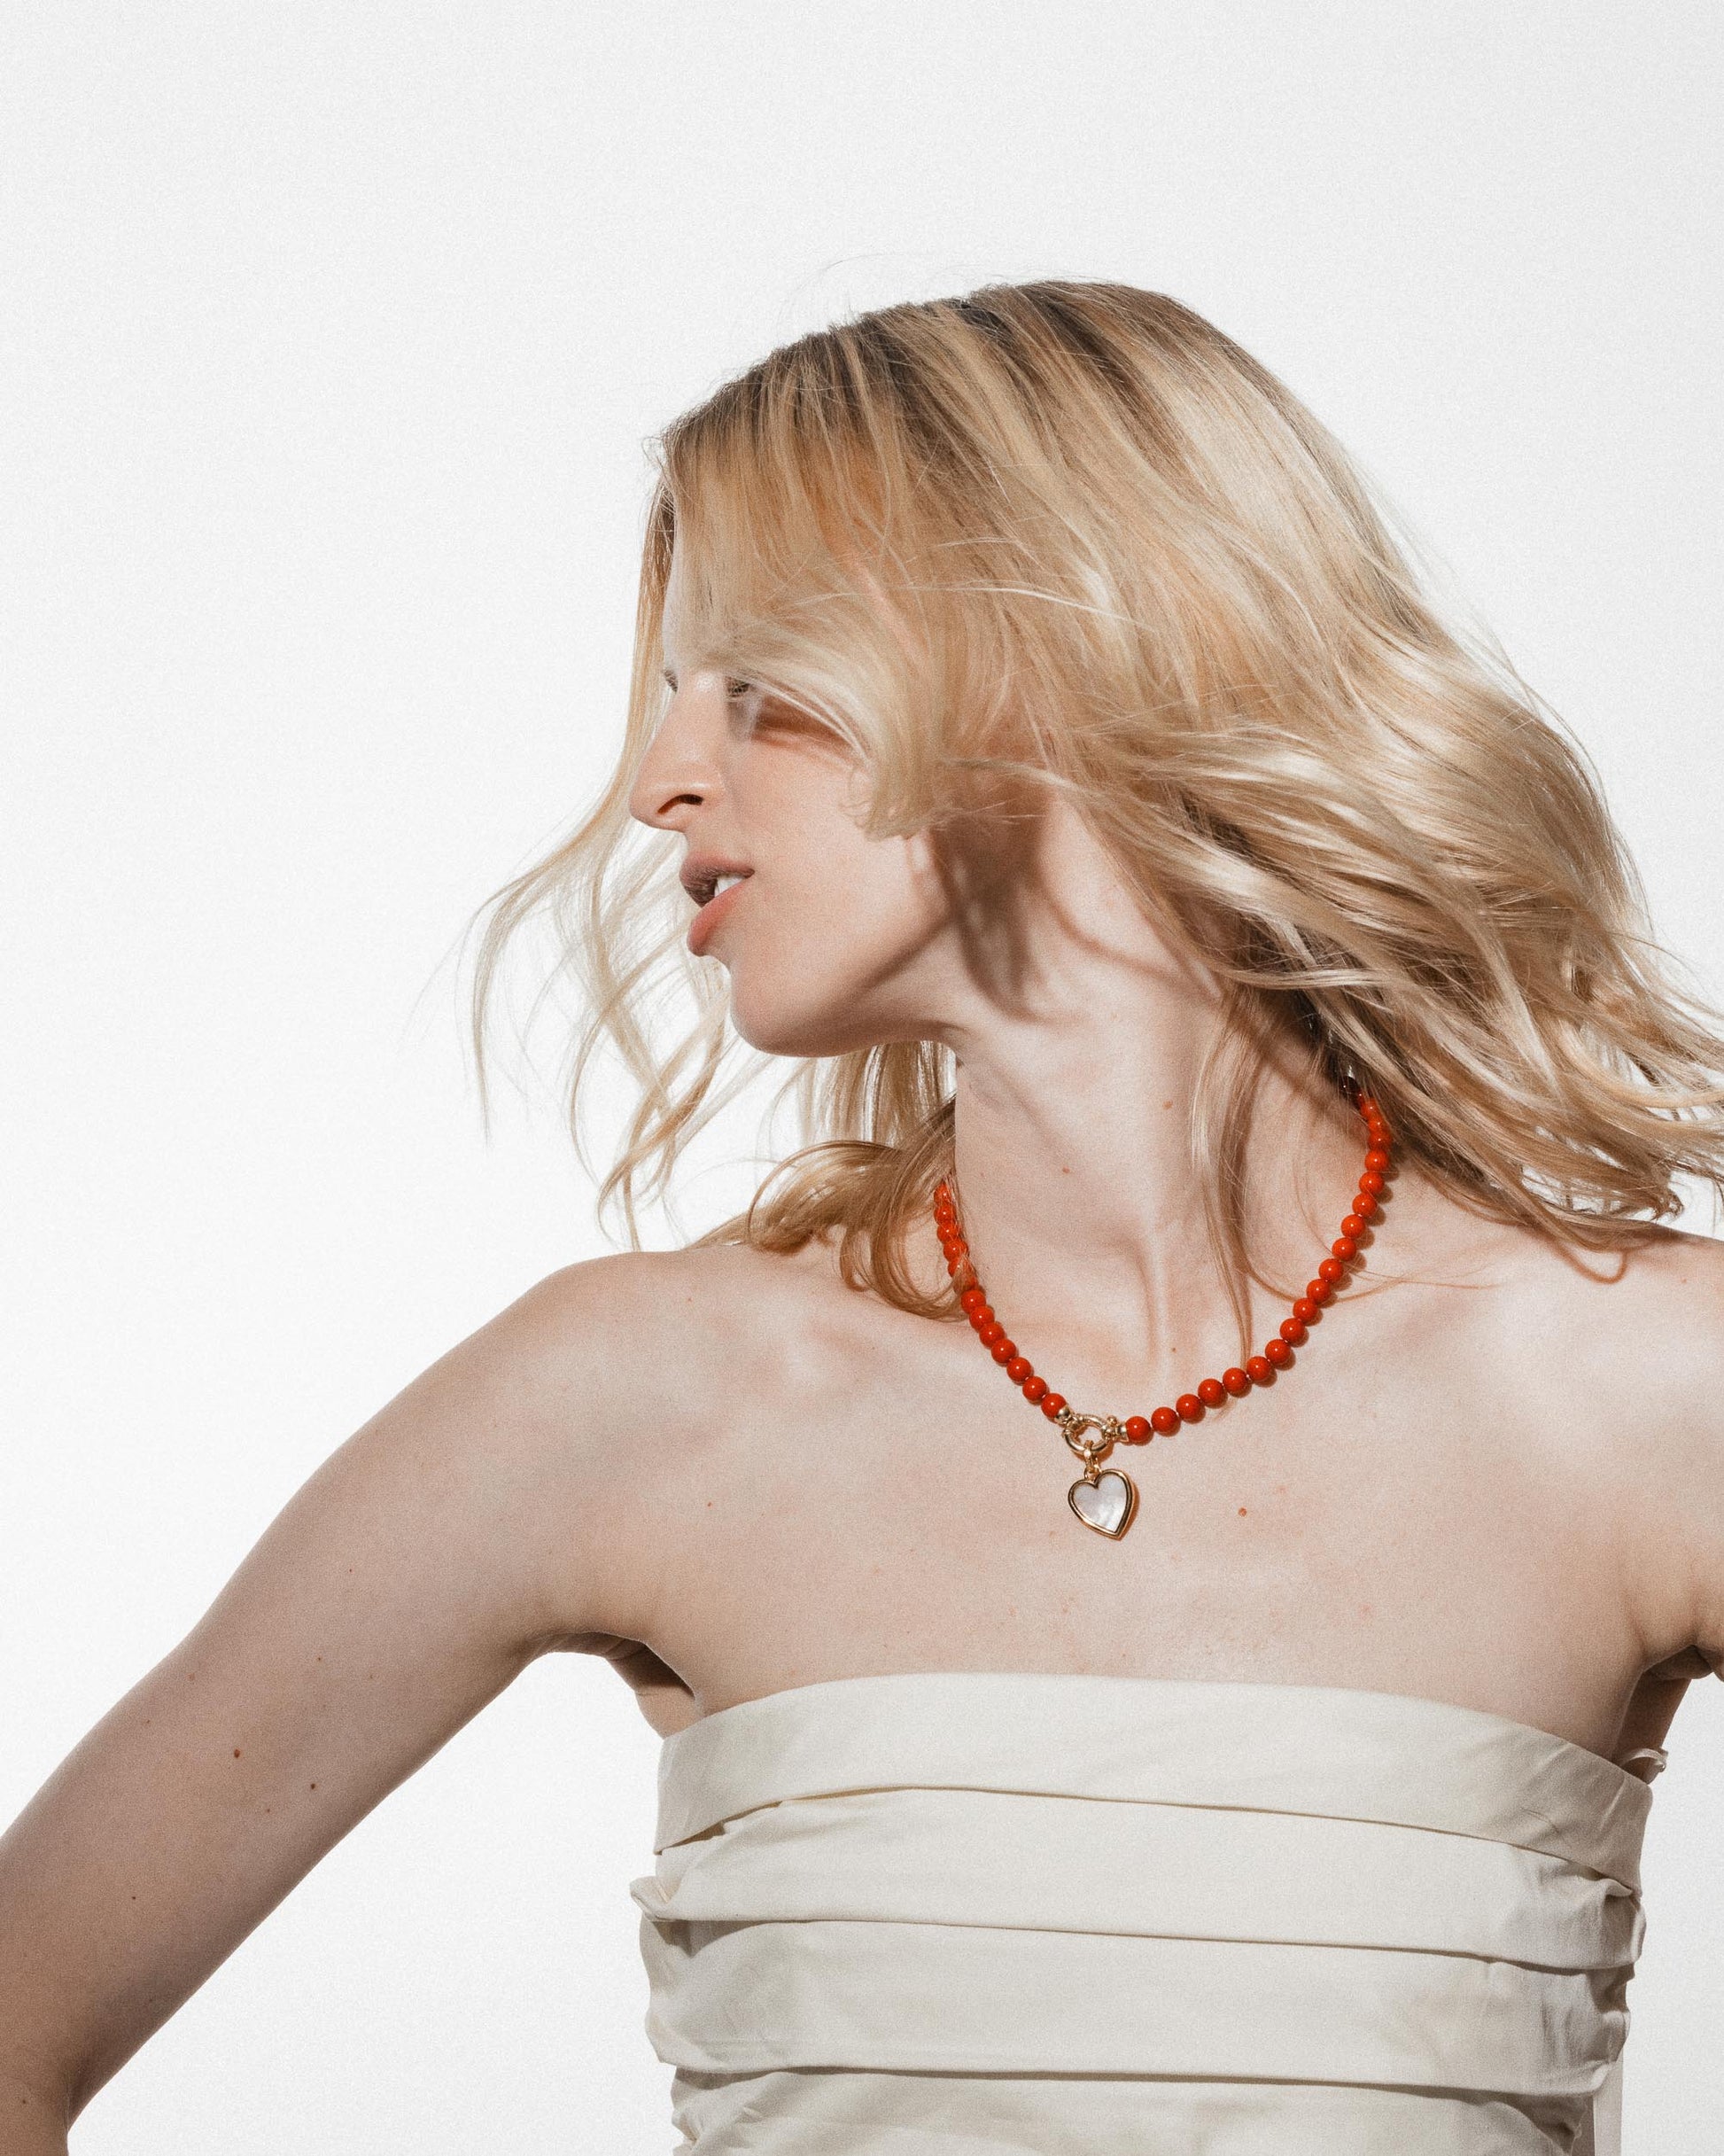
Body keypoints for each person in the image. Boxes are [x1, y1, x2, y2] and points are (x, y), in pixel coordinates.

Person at [3, 281, 1722, 2155]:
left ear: (1042, 652)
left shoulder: (1640, 1392)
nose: (660, 780)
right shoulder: (636, 1397)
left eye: (750, 680)